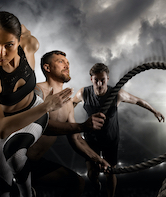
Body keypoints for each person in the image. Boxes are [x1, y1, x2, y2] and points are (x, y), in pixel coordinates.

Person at [0, 10, 104, 197]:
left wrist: (42, 108)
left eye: (9, 45)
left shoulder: (30, 44)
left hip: (34, 111)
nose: (0, 53)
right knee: (1, 187)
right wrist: (47, 106)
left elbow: (75, 137)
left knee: (16, 155)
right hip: (2, 122)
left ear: (19, 40)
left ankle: (28, 193)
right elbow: (0, 128)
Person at [73, 63, 165, 197]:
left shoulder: (116, 94)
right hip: (91, 139)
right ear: (91, 79)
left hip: (110, 139)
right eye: (96, 80)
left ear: (107, 79)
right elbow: (70, 104)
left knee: (110, 172)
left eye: (102, 80)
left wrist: (154, 111)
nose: (99, 83)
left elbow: (138, 100)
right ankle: (95, 182)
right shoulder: (83, 93)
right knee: (92, 173)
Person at [29, 50, 110, 196]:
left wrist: (97, 158)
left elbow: (76, 138)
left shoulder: (68, 103)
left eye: (67, 63)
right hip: (13, 158)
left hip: (34, 163)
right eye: (61, 62)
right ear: (47, 68)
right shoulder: (37, 91)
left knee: (77, 182)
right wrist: (83, 126)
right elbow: (41, 125)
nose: (67, 65)